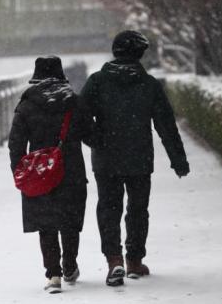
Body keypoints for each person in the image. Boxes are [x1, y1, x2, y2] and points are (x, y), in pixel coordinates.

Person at [81, 30, 190, 287]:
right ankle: (134, 260)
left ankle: (114, 260)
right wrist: (178, 159)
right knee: (138, 210)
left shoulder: (97, 82)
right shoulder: (149, 84)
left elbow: (81, 117)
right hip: (139, 157)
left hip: (106, 159)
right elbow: (166, 125)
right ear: (139, 54)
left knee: (109, 208)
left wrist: (97, 140)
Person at [8, 56, 95, 294]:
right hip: (71, 171)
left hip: (39, 172)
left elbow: (15, 144)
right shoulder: (74, 102)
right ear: (61, 75)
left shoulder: (26, 105)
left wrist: (20, 173)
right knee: (70, 221)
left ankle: (53, 274)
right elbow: (91, 135)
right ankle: (69, 265)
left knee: (46, 224)